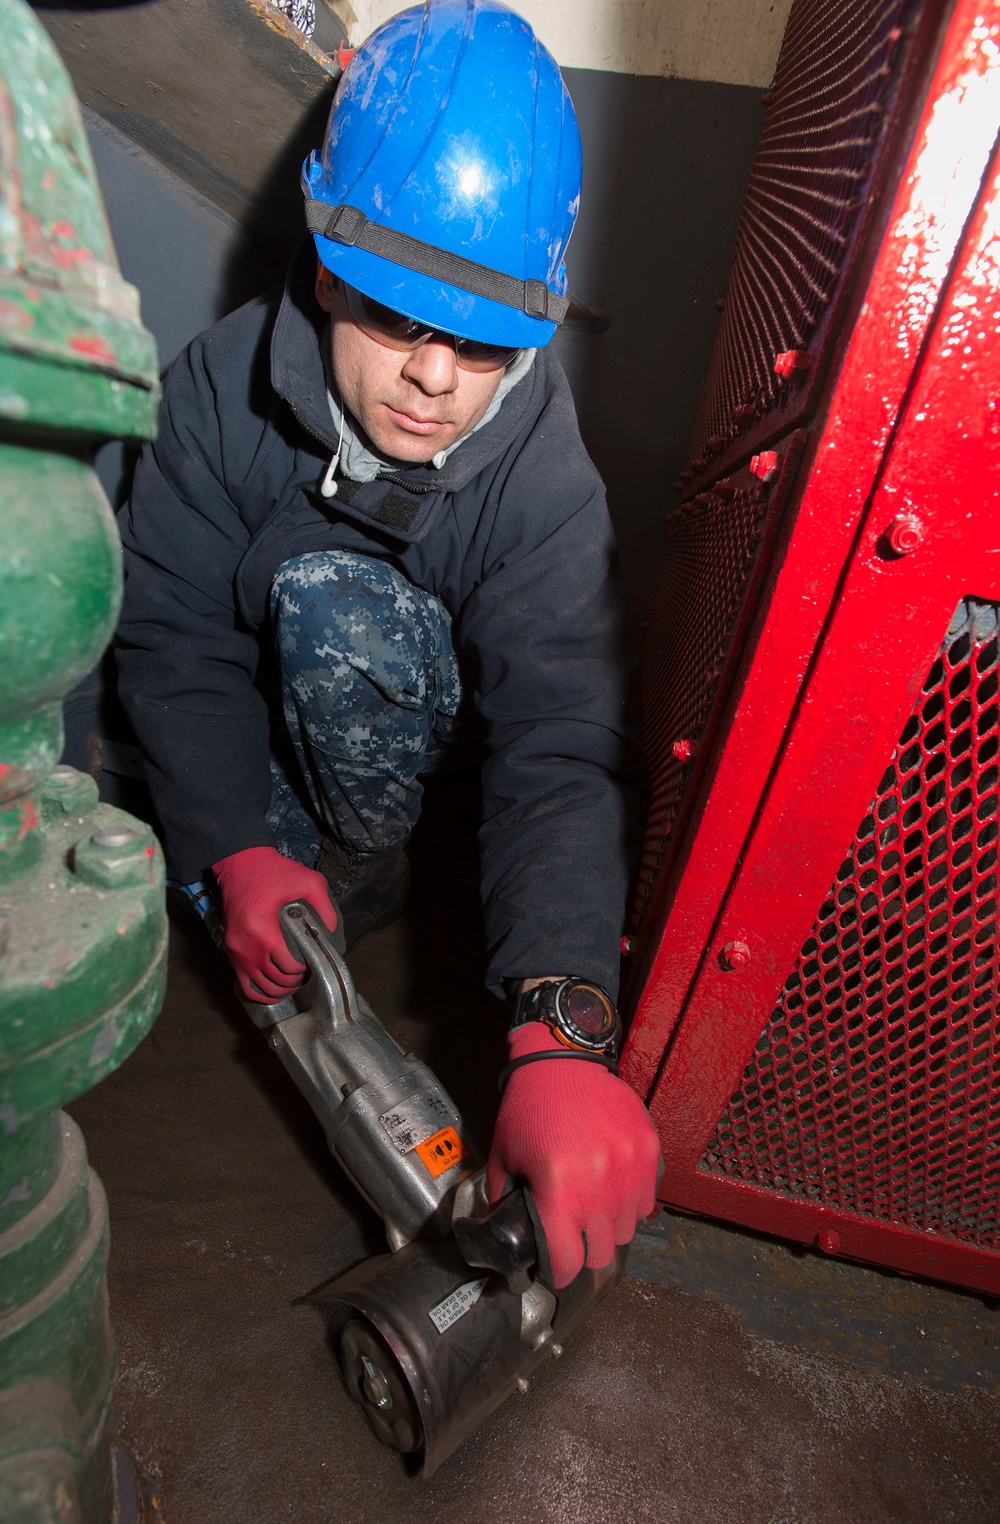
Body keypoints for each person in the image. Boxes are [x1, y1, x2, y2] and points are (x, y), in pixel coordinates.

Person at [116, 0, 660, 1289]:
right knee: (255, 697)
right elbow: (175, 634)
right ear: (321, 264)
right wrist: (229, 847)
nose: (433, 378)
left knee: (337, 596)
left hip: (422, 741)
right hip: (258, 718)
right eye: (393, 316)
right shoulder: (215, 389)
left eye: (482, 341)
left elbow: (563, 742)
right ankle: (286, 854)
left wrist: (562, 1031)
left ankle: (370, 862)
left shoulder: (544, 482)